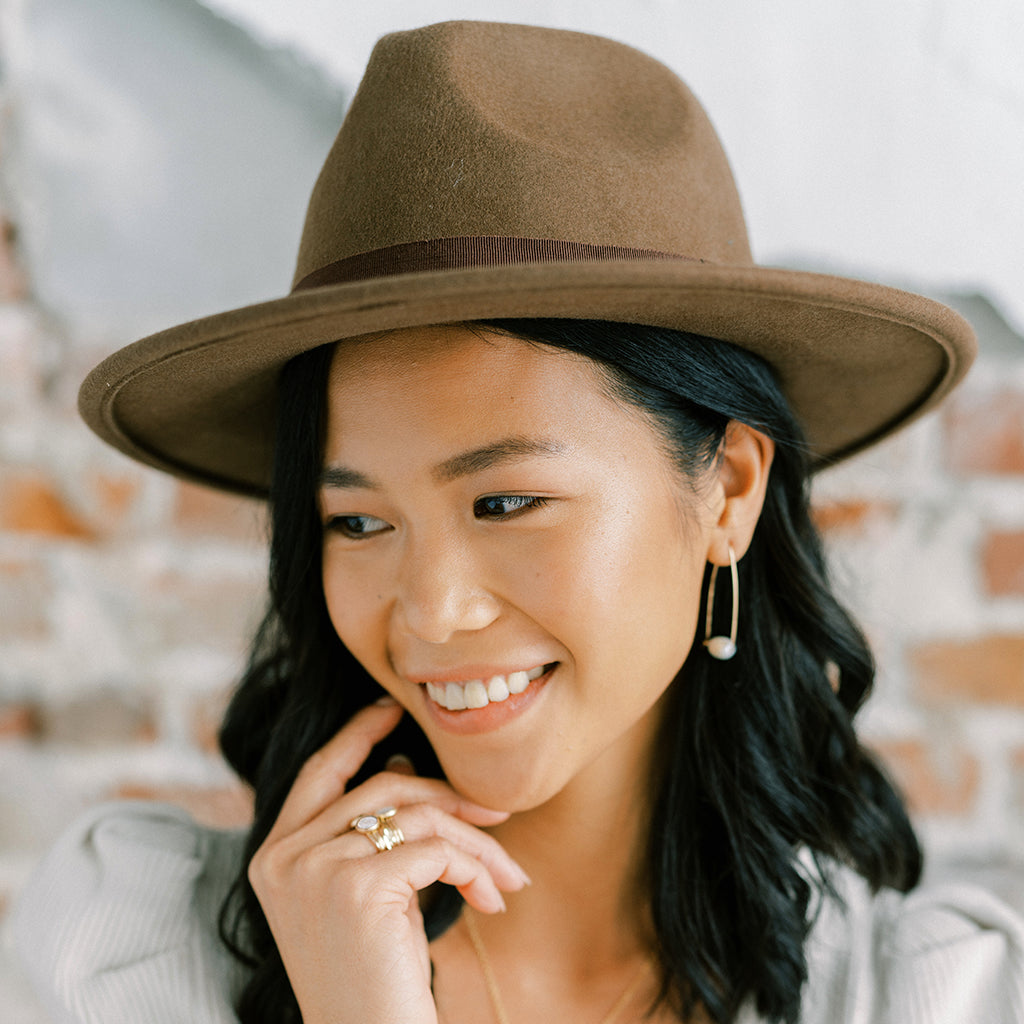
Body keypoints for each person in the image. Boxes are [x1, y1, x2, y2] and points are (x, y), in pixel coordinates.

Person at [12, 19, 1024, 1024]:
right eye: (357, 522)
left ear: (727, 490)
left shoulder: (932, 999)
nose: (431, 611)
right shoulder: (123, 957)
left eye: (505, 503)